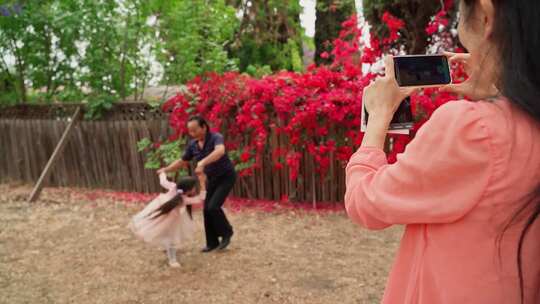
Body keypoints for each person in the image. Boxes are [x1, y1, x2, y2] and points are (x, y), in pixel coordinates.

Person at [344, 0, 540, 303]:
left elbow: (365, 202)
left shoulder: (472, 129)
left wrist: (380, 115)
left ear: (486, 16)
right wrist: (498, 88)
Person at [158, 116, 236, 252]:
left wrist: (202, 162)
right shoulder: (193, 145)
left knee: (213, 207)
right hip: (212, 179)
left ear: (204, 127)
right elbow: (182, 161)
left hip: (226, 177)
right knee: (206, 210)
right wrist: (167, 169)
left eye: (194, 130)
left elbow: (220, 151)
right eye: (190, 131)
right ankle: (212, 243)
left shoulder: (215, 137)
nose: (192, 133)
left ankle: (227, 232)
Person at [129, 173, 206, 268]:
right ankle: (172, 260)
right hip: (170, 220)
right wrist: (202, 183)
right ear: (189, 189)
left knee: (166, 235)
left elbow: (163, 182)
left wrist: (162, 172)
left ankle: (170, 253)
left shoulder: (174, 187)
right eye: (194, 187)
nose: (195, 189)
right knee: (171, 238)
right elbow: (200, 198)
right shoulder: (183, 199)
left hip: (164, 215)